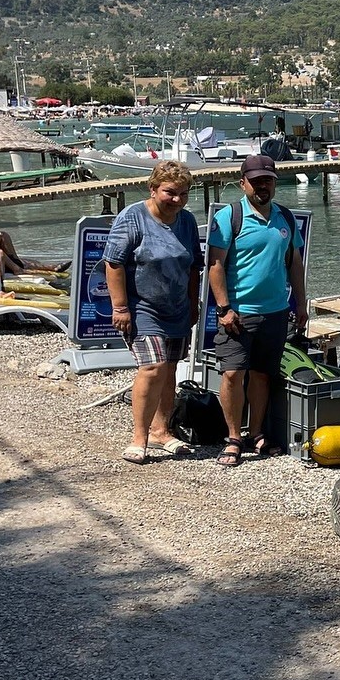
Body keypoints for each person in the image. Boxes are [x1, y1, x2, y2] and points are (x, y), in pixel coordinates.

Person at [208, 155, 306, 468]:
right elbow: (215, 264)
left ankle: (257, 432)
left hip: (276, 311)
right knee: (234, 374)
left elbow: (295, 264)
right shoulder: (229, 217)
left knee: (263, 375)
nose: (262, 185)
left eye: (268, 180)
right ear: (243, 183)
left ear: (275, 182)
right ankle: (234, 438)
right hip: (237, 312)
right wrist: (224, 308)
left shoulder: (285, 218)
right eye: (256, 180)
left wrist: (301, 304)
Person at [102, 161, 202, 465]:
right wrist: (120, 307)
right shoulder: (132, 217)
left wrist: (193, 301)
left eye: (183, 194)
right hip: (142, 306)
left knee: (171, 368)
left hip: (177, 307)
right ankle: (139, 436)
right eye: (170, 193)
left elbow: (193, 265)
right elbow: (113, 263)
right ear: (153, 188)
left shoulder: (186, 221)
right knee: (153, 367)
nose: (177, 200)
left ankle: (161, 430)